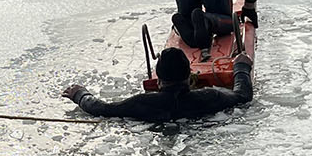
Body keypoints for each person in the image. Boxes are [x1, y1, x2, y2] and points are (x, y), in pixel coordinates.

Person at [63, 48, 253, 124]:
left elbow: (101, 109)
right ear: (189, 76)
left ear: (159, 79)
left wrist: (80, 94)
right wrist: (241, 67)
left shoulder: (142, 102)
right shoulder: (210, 97)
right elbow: (243, 97)